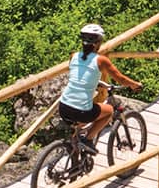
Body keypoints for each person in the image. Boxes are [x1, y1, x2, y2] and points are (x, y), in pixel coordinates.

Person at [58, 23, 142, 152]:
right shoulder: (101, 60)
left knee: (78, 124)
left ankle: (75, 150)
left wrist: (97, 82)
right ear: (97, 43)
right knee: (108, 111)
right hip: (80, 110)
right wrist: (135, 85)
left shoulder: (73, 56)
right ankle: (89, 140)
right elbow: (121, 79)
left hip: (63, 107)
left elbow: (80, 78)